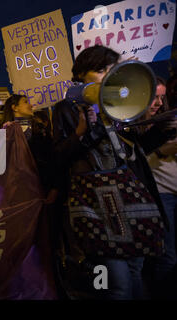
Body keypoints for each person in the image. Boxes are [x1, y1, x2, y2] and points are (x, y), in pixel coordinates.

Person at [52, 45, 173, 300]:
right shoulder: (67, 108)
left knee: (135, 271)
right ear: (82, 74)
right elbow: (59, 157)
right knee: (115, 284)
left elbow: (130, 151)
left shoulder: (117, 104)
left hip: (127, 201)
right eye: (101, 70)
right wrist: (82, 134)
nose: (108, 75)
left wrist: (162, 129)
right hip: (97, 206)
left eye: (111, 69)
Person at [143, 81, 177, 299]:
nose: (159, 103)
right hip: (160, 195)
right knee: (167, 257)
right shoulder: (133, 125)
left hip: (173, 191)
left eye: (162, 97)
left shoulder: (169, 119)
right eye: (155, 97)